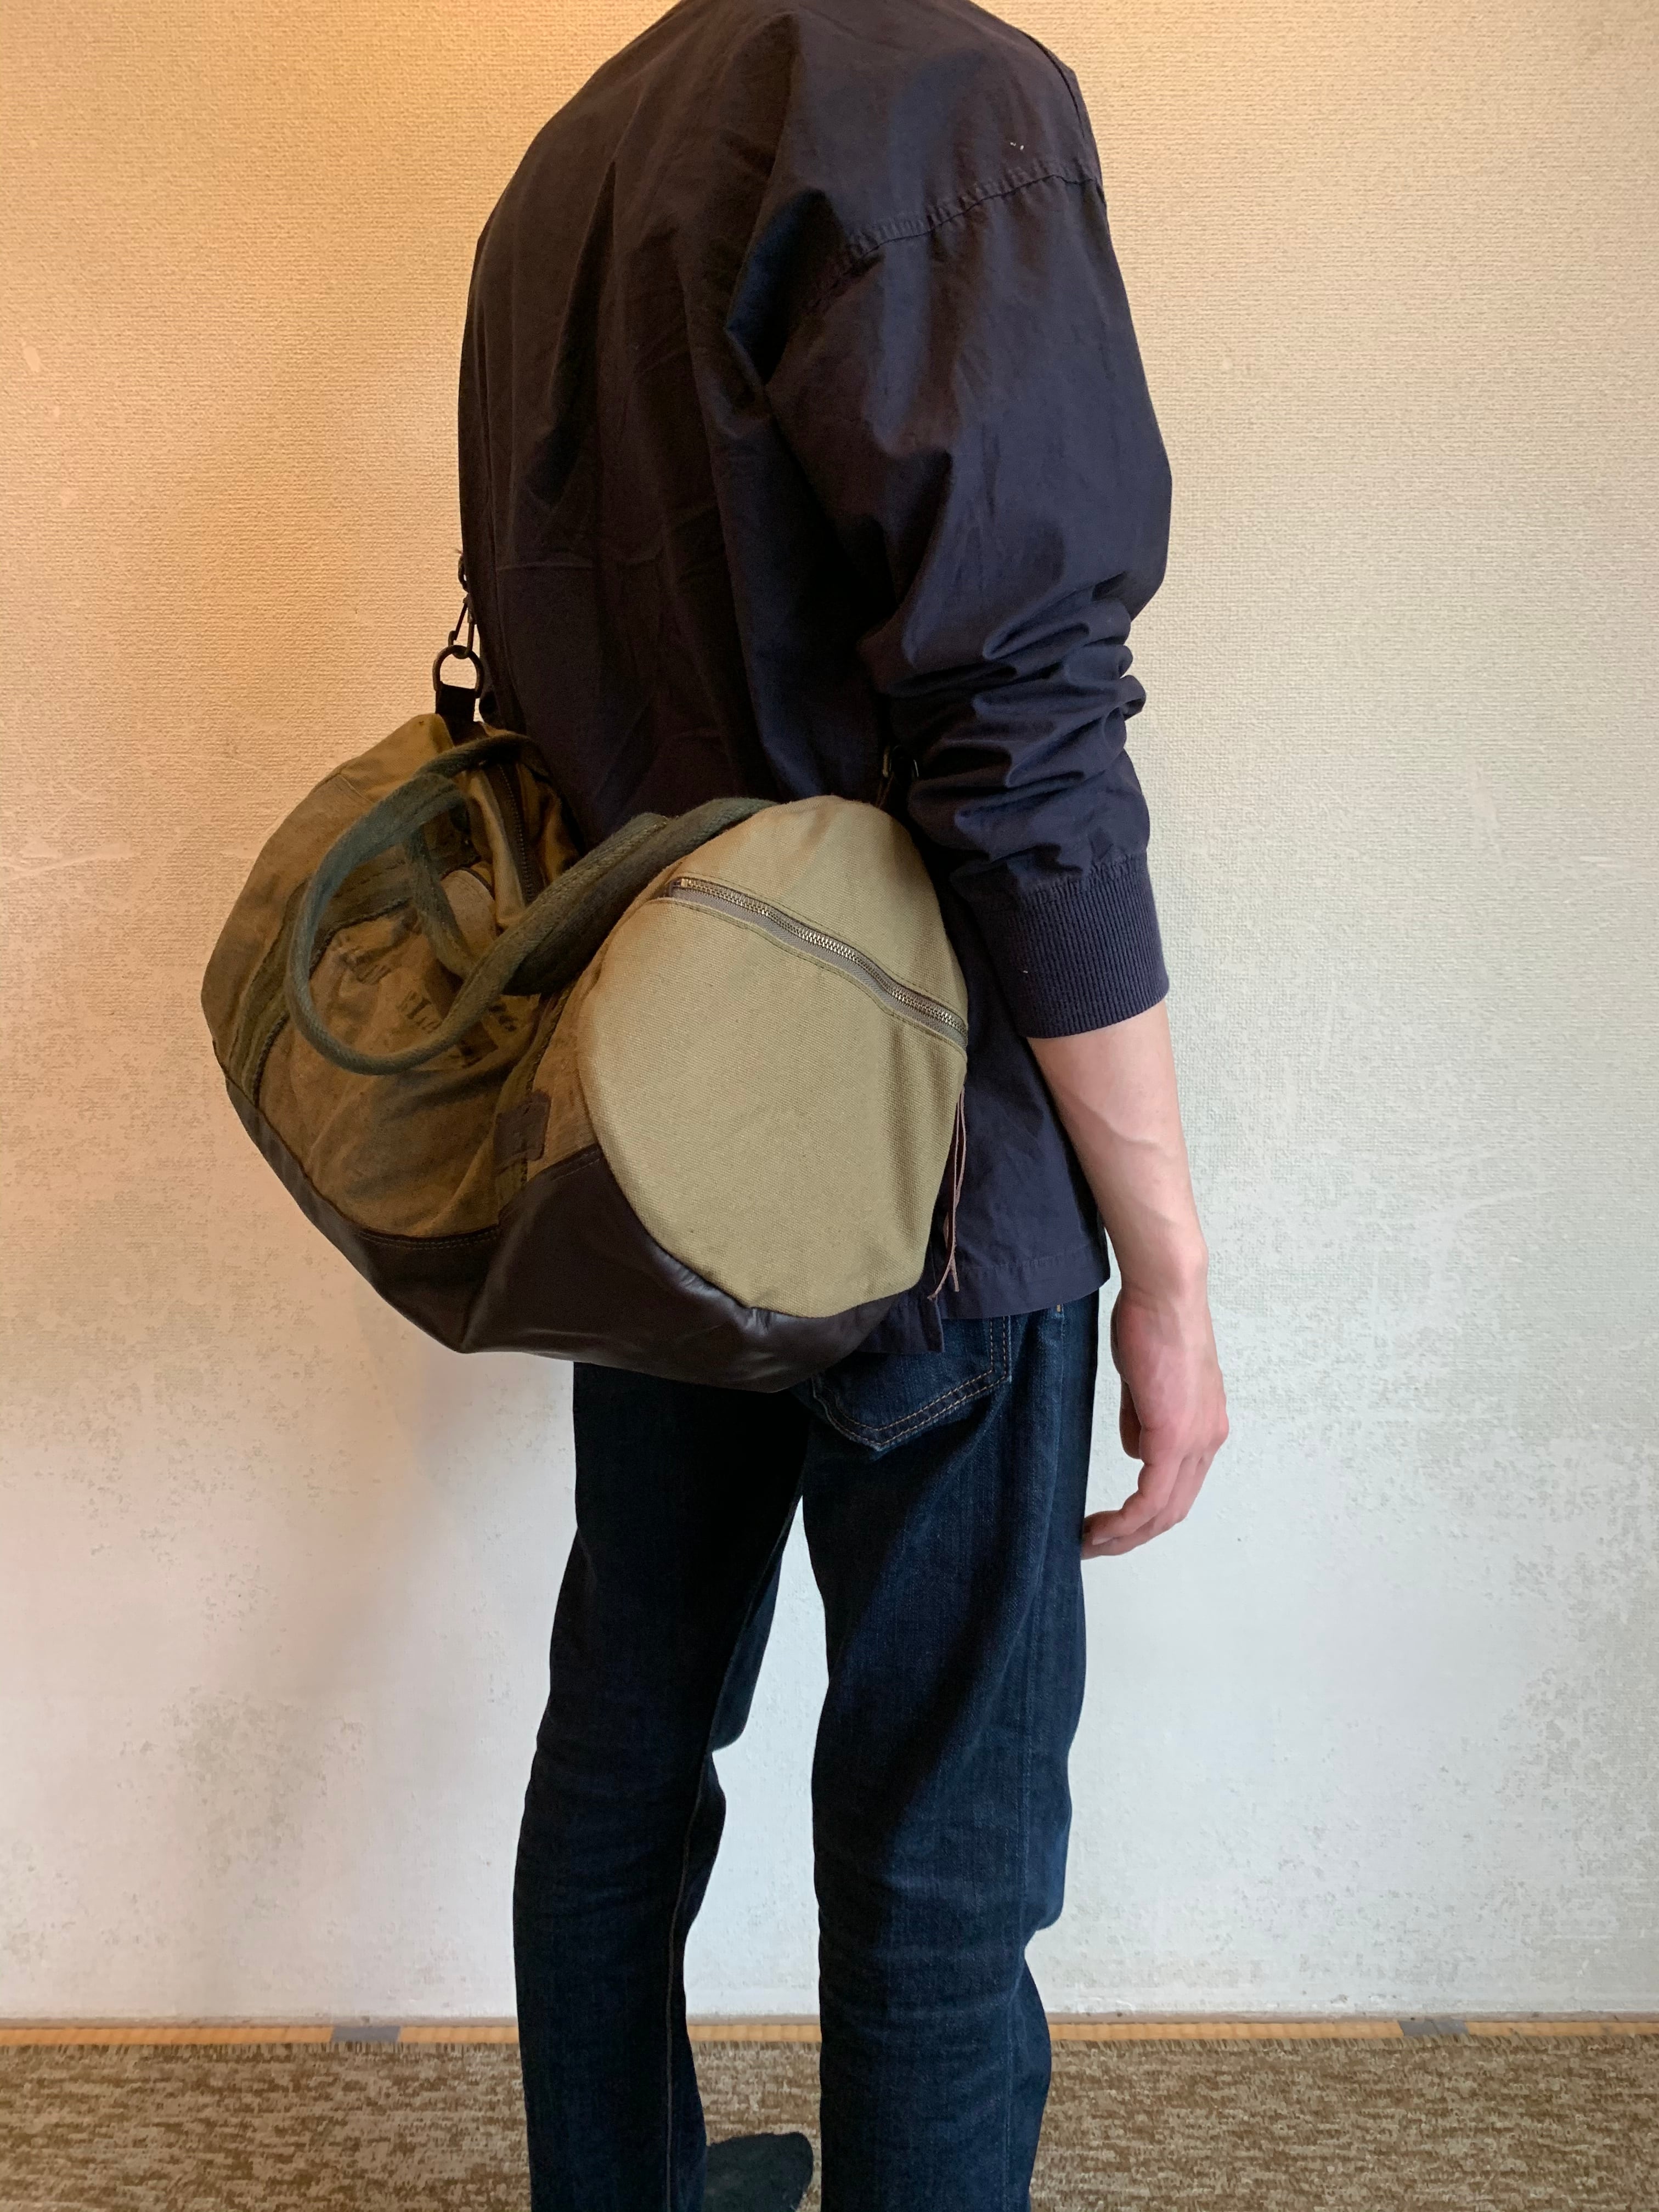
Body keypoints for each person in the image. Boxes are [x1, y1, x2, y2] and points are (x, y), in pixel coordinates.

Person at [456, 1, 1228, 2205]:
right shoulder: (955, 100)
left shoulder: (571, 158)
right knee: (941, 1825)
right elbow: (1025, 739)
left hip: (654, 1130)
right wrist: (1169, 1261)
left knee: (631, 1726)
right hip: (921, 1159)